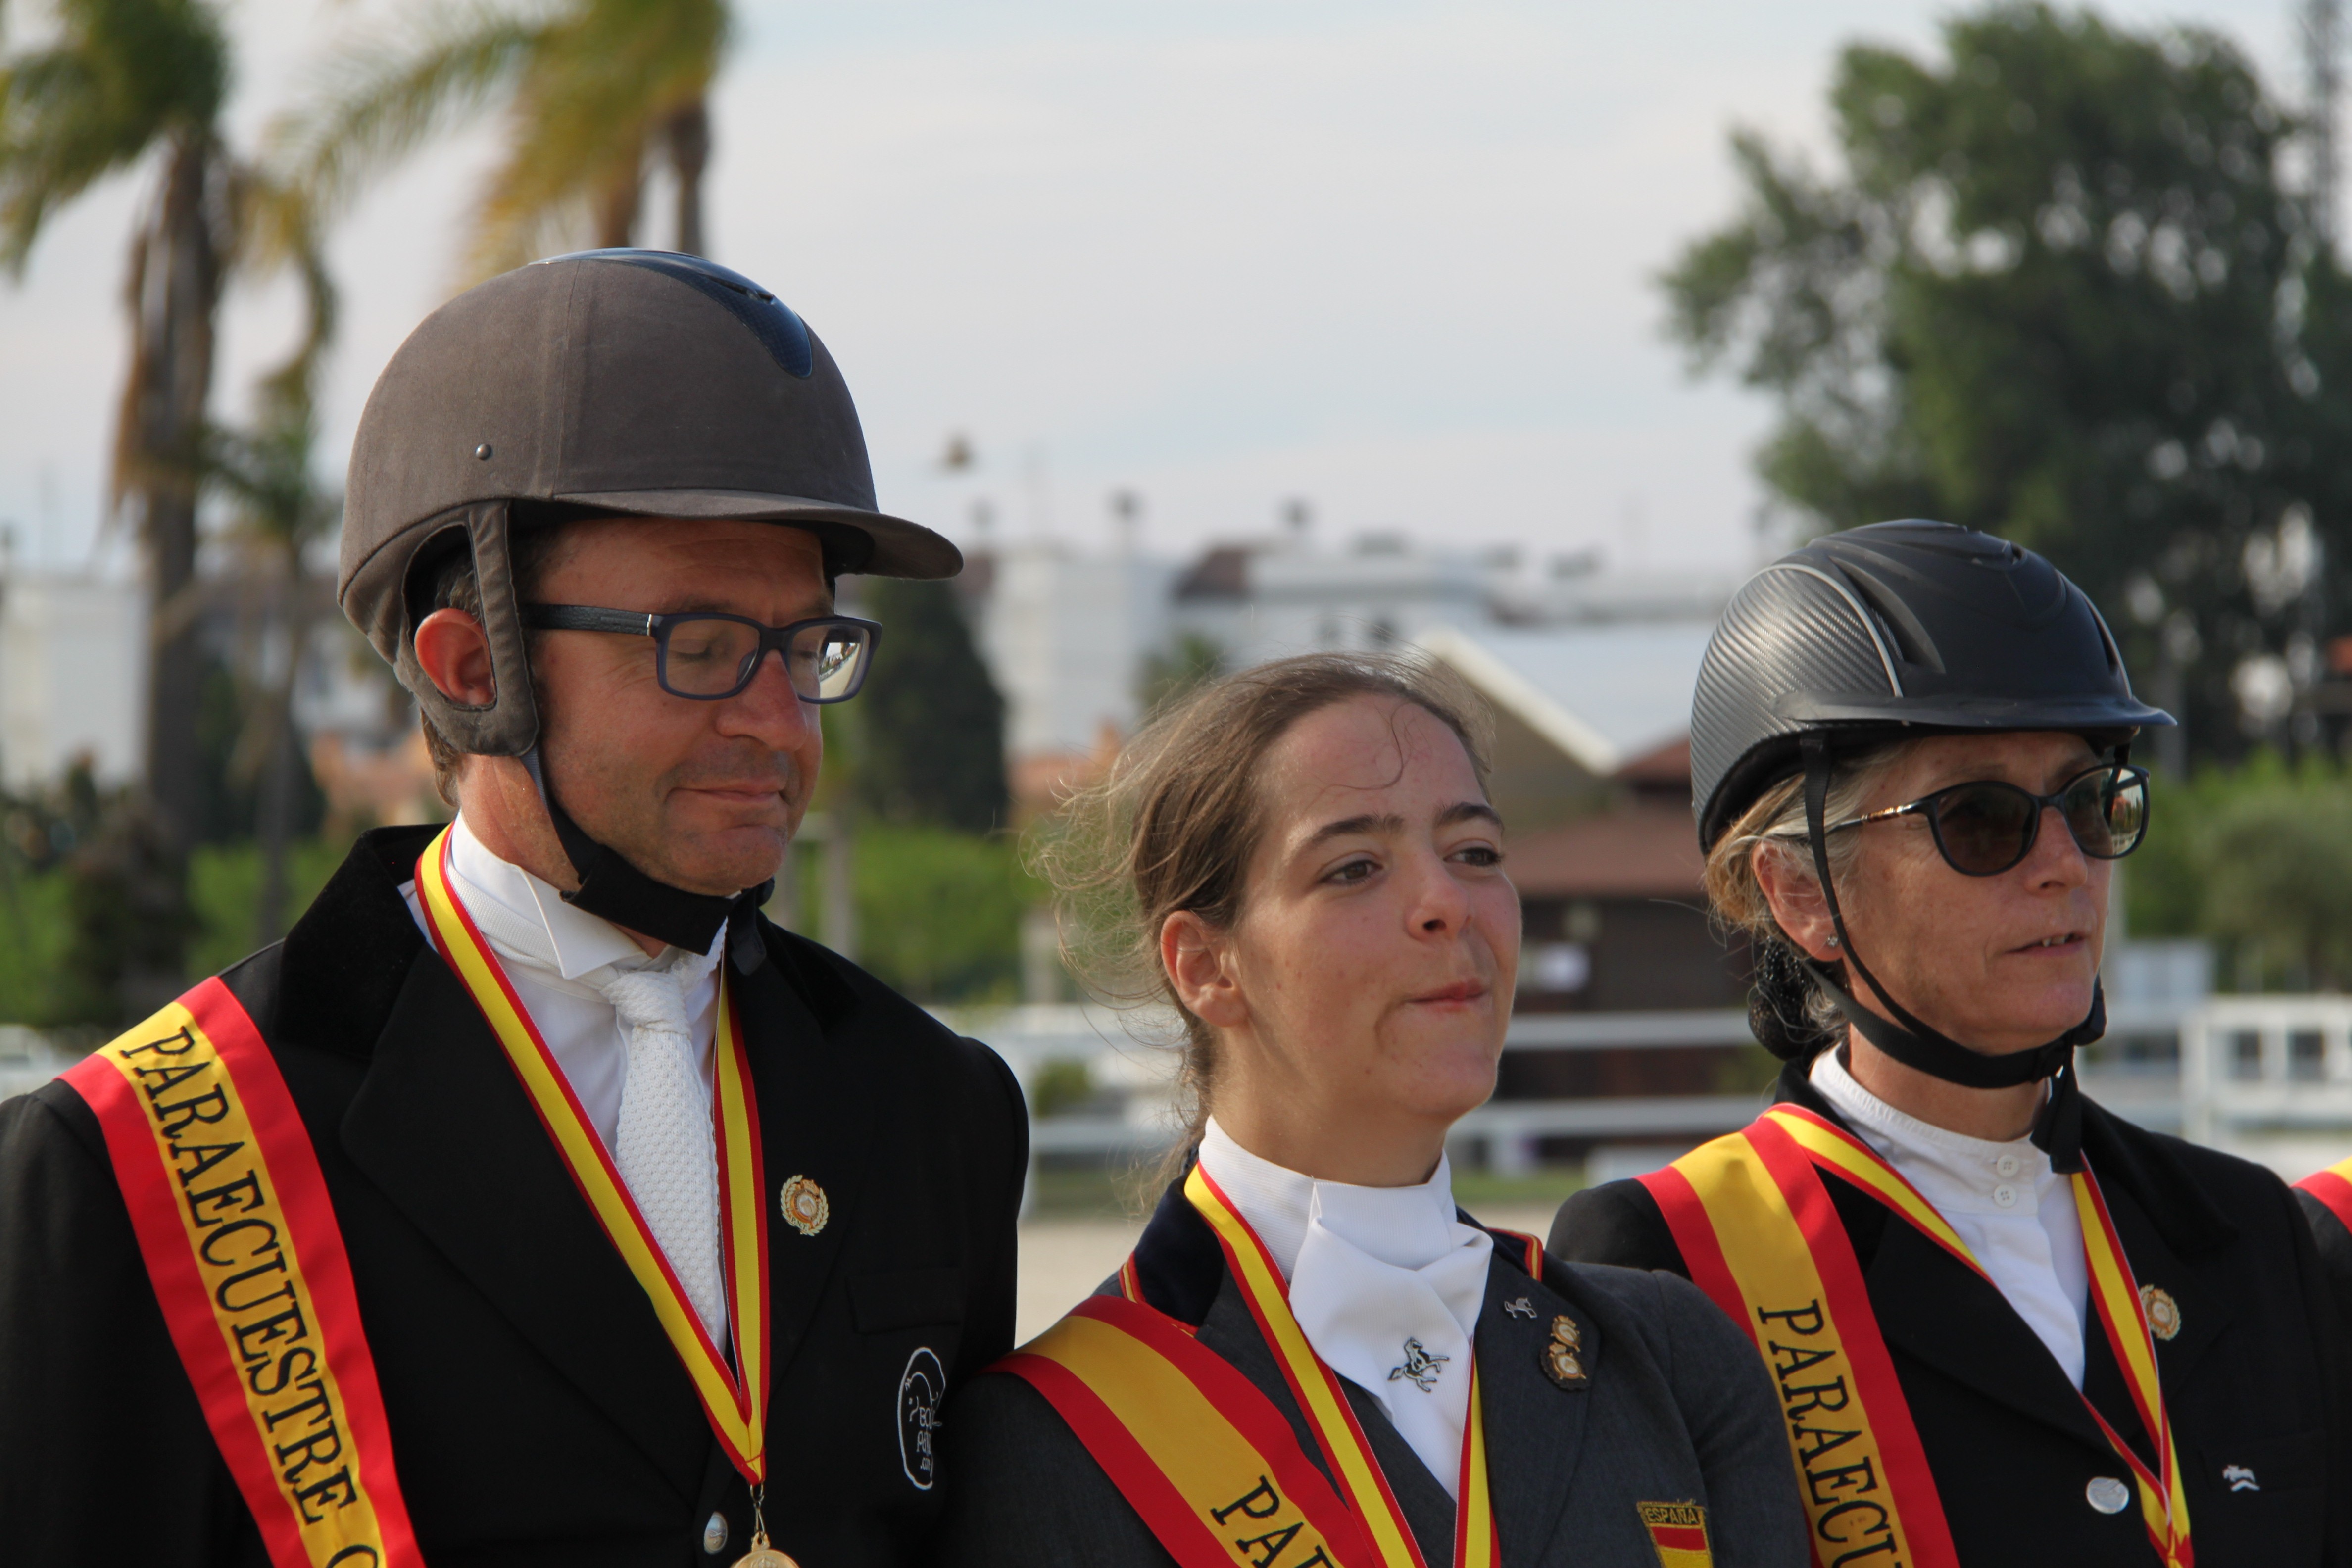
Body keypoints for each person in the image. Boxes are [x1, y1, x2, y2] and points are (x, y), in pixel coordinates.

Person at [0, 250, 1027, 1567]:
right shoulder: (130, 1169)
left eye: (808, 645)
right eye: (703, 647)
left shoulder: (930, 1108)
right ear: (475, 666)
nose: (780, 722)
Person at [1551, 520, 2351, 1568]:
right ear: (1801, 892)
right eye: (1981, 818)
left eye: (2089, 801)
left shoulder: (2250, 1234)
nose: (2065, 861)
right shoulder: (1668, 1264)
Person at [936, 653, 1806, 1568]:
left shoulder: (1670, 1357)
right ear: (1205, 966)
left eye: (1475, 853)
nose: (1446, 902)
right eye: (1354, 868)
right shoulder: (1054, 1435)